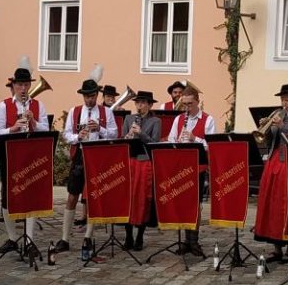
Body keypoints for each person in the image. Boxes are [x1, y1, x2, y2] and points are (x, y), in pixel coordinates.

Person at [56, 73, 117, 253]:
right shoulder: (75, 111)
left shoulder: (107, 112)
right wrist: (78, 136)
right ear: (83, 96)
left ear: (97, 96)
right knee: (72, 195)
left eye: (92, 96)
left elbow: (115, 134)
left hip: (98, 156)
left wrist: (100, 129)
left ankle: (88, 237)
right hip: (80, 155)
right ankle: (64, 238)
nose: (90, 100)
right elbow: (66, 134)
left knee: (93, 196)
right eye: (87, 96)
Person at [0, 63, 49, 254]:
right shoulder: (3, 106)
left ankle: (29, 240)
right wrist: (13, 128)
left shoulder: (38, 105)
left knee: (30, 195)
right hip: (10, 155)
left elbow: (46, 129)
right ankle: (11, 238)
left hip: (31, 155)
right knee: (8, 196)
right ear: (13, 86)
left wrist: (33, 121)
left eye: (26, 85)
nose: (23, 89)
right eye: (20, 85)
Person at [253, 84, 288, 264]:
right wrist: (266, 128)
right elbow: (270, 140)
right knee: (272, 204)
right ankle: (276, 247)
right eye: (283, 100)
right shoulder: (279, 114)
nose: (285, 103)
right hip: (275, 162)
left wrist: (283, 127)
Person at [167, 86, 216, 256]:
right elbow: (171, 139)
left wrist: (195, 138)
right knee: (182, 203)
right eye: (185, 104)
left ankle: (194, 241)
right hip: (181, 165)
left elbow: (211, 144)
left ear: (197, 102)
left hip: (198, 166)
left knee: (195, 204)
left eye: (190, 104)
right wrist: (178, 141)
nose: (187, 108)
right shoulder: (179, 119)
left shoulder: (208, 119)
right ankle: (184, 241)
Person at [121, 91, 161, 250]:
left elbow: (155, 142)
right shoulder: (128, 119)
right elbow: (122, 139)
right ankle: (128, 236)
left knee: (143, 199)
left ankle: (139, 237)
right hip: (130, 160)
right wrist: (128, 136)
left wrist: (141, 133)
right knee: (128, 199)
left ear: (150, 105)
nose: (140, 105)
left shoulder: (155, 121)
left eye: (144, 103)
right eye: (138, 102)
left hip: (145, 163)